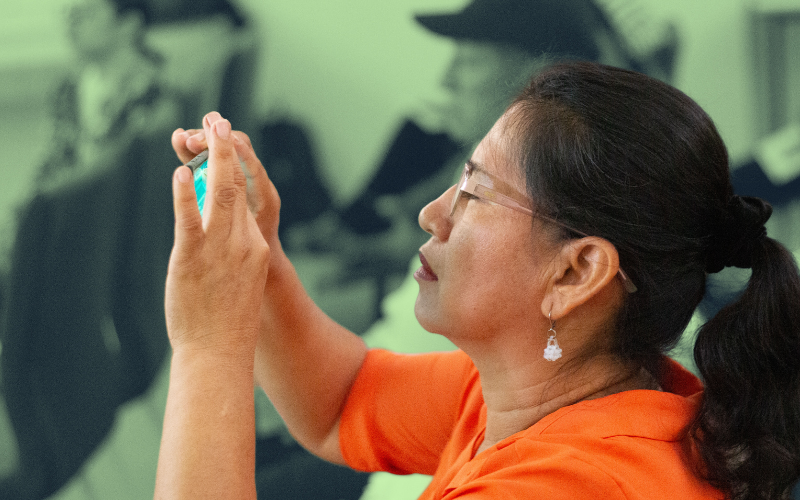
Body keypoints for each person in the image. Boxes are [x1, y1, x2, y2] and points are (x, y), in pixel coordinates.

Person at [156, 62, 800, 499]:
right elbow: (342, 405)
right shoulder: (539, 392)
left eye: (475, 192)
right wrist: (261, 254)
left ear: (575, 272)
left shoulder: (568, 486)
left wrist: (208, 345)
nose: (431, 214)